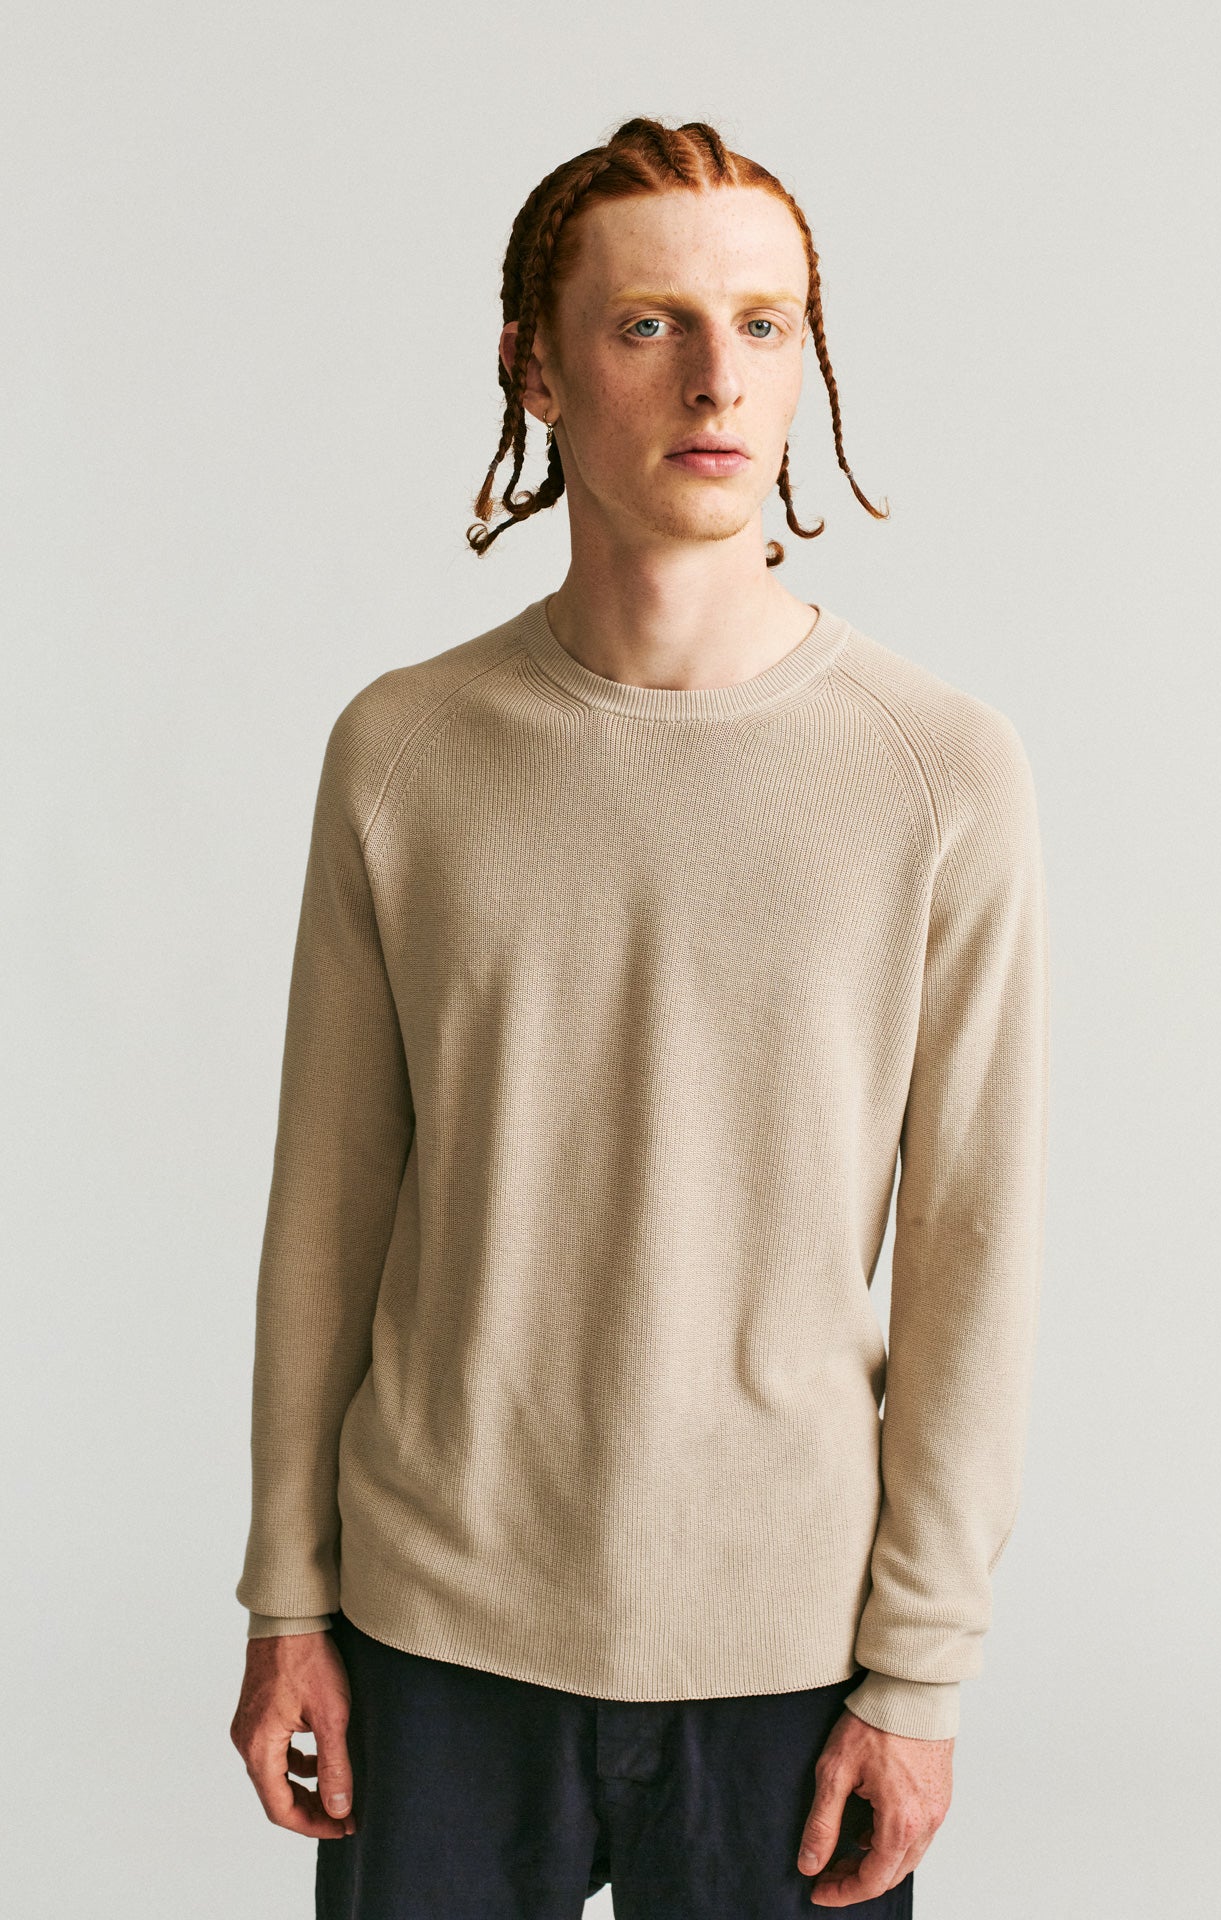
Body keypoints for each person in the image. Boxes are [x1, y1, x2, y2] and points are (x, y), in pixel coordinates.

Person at [229, 115, 1051, 1918]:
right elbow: (330, 1205)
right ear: (533, 365)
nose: (717, 379)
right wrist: (288, 1597)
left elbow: (973, 1251)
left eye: (766, 324)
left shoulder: (939, 773)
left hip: (787, 1652)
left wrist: (918, 1676)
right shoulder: (404, 751)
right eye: (649, 323)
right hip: (433, 1638)